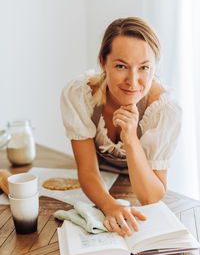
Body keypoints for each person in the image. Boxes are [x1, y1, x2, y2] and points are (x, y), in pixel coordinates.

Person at [60, 17, 181, 237]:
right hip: (98, 187)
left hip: (142, 189)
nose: (132, 81)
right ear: (102, 62)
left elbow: (151, 197)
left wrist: (131, 139)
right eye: (121, 66)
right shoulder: (79, 94)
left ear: (154, 68)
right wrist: (110, 205)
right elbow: (87, 170)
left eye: (144, 67)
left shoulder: (165, 110)